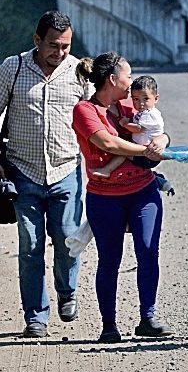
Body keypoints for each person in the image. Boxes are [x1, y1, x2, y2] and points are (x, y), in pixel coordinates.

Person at [0, 11, 92, 338]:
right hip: (22, 172)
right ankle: (36, 316)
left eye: (66, 46)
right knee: (30, 245)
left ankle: (67, 290)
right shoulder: (13, 68)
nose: (60, 53)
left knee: (67, 239)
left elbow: (96, 119)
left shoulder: (78, 73)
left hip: (66, 171)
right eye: (54, 46)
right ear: (37, 41)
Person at [73, 52, 173, 343]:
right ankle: (108, 325)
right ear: (113, 79)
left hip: (143, 191)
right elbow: (107, 142)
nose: (131, 82)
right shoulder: (85, 110)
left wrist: (162, 141)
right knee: (109, 260)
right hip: (105, 198)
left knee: (147, 250)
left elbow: (159, 130)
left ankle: (148, 318)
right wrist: (147, 151)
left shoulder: (134, 103)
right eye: (127, 76)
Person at [90, 75, 174, 193]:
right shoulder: (143, 112)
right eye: (136, 99)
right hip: (144, 150)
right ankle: (159, 180)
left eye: (145, 99)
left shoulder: (150, 114)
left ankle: (107, 170)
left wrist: (124, 124)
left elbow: (138, 129)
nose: (141, 103)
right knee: (127, 155)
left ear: (156, 98)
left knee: (123, 152)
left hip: (147, 154)